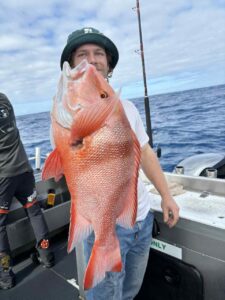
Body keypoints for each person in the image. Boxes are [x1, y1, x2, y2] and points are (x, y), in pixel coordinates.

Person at [60, 27, 180, 300]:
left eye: (98, 53)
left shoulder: (127, 108)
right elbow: (70, 158)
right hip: (107, 226)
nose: (92, 59)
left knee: (129, 292)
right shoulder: (69, 114)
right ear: (71, 67)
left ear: (108, 63)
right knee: (104, 296)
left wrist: (166, 195)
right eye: (82, 54)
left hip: (141, 221)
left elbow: (146, 153)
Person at [0, 93, 55, 290]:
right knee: (34, 211)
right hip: (24, 170)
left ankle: (5, 274)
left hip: (4, 178)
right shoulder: (4, 100)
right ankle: (46, 255)